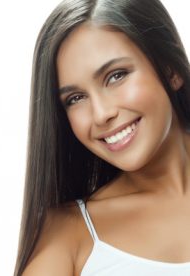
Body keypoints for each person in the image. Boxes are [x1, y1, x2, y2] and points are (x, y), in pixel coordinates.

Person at [14, 0, 190, 275]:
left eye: (116, 76)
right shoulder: (71, 233)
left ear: (170, 69)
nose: (100, 114)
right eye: (76, 98)